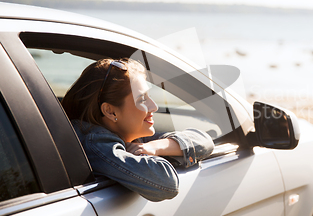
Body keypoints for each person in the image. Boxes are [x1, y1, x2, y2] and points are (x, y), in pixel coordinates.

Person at [62, 58, 214, 202]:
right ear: (110, 111)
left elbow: (204, 141)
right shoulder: (95, 143)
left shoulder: (124, 135)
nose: (154, 106)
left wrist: (152, 148)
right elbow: (166, 183)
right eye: (142, 99)